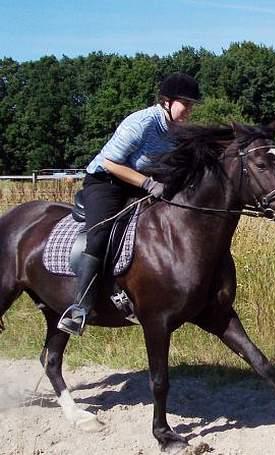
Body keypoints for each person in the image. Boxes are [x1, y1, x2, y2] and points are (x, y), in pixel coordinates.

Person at [58, 72, 201, 336]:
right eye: (187, 104)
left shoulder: (177, 130)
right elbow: (110, 162)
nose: (190, 110)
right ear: (167, 102)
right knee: (100, 235)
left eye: (192, 106)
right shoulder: (142, 122)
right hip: (106, 182)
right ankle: (81, 307)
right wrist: (147, 184)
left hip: (140, 185)